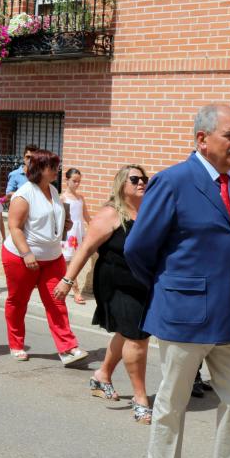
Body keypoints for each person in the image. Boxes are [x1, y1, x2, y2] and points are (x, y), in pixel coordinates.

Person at [125, 104, 230, 458]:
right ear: (202, 139)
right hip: (185, 313)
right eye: (229, 135)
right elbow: (138, 248)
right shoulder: (173, 181)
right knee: (172, 402)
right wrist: (168, 289)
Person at [53, 165, 153, 424]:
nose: (141, 182)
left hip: (142, 283)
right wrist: (67, 280)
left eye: (144, 178)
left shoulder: (148, 211)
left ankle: (102, 375)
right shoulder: (110, 214)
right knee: (137, 338)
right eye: (135, 179)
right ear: (122, 184)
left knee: (127, 332)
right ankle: (140, 398)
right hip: (116, 283)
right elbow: (85, 249)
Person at [1, 149, 88, 366]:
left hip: (52, 257)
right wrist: (27, 253)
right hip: (22, 257)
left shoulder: (52, 189)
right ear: (41, 168)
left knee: (57, 301)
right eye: (53, 166)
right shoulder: (24, 194)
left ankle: (68, 348)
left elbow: (49, 218)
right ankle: (16, 344)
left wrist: (63, 225)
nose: (57, 170)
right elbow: (15, 226)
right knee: (18, 301)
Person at [60, 167, 91, 305]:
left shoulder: (80, 198)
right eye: (74, 181)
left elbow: (86, 217)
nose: (77, 184)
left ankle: (65, 284)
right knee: (69, 262)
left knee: (76, 260)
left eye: (79, 181)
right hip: (68, 233)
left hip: (79, 232)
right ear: (67, 180)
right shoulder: (63, 198)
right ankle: (76, 290)